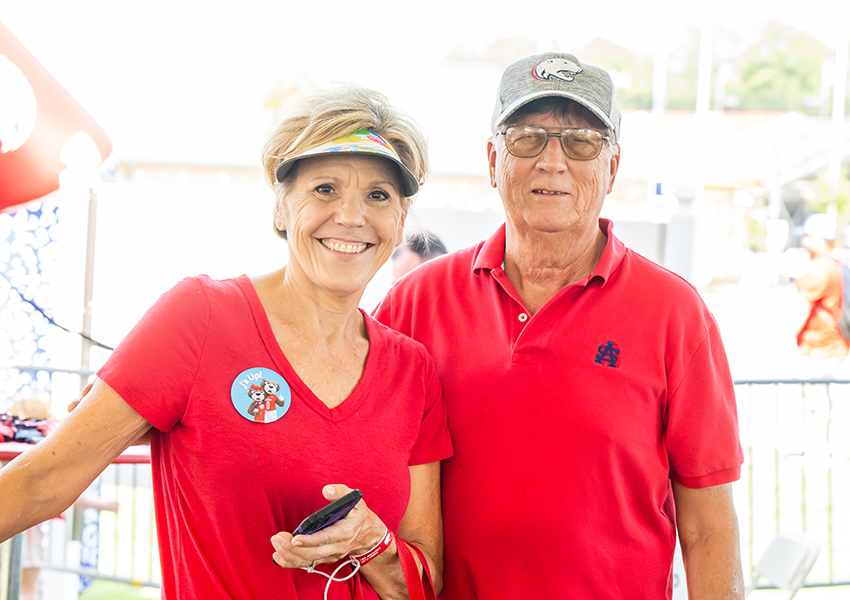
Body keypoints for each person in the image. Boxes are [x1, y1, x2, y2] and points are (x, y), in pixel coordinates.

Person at [0, 85, 453, 600]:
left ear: (399, 224)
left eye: (378, 195)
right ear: (282, 208)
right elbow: (42, 481)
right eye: (324, 188)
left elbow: (423, 585)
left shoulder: (412, 372)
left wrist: (373, 542)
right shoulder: (200, 318)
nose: (351, 215)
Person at [374, 52, 745, 599]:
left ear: (612, 168)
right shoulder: (413, 303)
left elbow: (708, 526)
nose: (553, 161)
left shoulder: (676, 314)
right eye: (527, 137)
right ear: (493, 160)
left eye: (581, 142)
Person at [7, 398, 119, 600]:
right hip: (26, 525)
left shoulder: (8, 442)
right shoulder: (38, 451)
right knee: (28, 587)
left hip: (16, 522)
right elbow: (62, 491)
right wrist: (102, 504)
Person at [793, 211, 849, 376]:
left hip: (820, 345)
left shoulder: (821, 267)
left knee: (813, 397)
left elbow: (798, 304)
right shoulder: (834, 261)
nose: (803, 239)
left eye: (806, 235)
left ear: (817, 238)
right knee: (824, 396)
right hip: (831, 344)